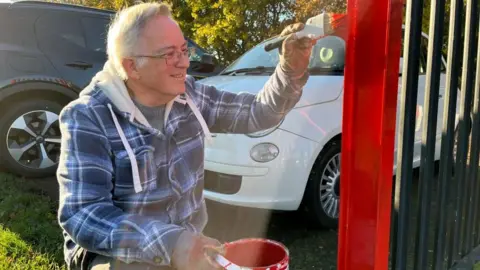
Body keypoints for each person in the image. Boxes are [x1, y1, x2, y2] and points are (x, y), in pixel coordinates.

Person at [57, 2, 314, 270]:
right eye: (169, 54)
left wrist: (289, 70)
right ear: (132, 66)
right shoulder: (88, 117)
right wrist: (173, 244)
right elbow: (84, 214)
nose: (185, 62)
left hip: (189, 243)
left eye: (184, 49)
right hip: (114, 253)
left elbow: (257, 114)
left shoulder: (188, 96)